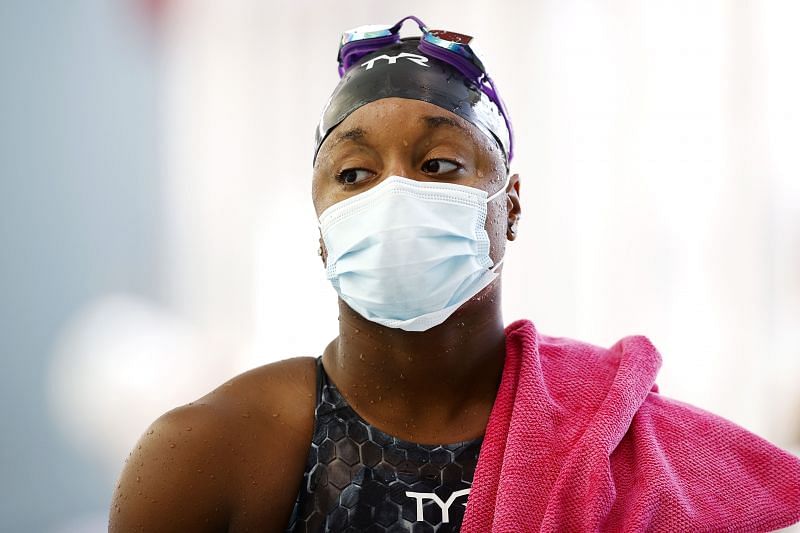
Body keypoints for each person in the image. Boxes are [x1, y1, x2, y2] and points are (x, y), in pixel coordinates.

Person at [110, 16, 800, 532]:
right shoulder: (209, 454)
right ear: (321, 230)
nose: (393, 196)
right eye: (353, 173)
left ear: (511, 206)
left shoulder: (624, 450)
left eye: (438, 164)